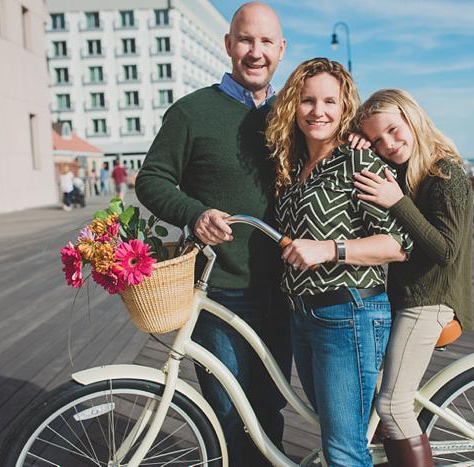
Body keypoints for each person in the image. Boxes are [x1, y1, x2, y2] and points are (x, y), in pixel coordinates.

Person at [135, 3, 289, 466]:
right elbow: (152, 179)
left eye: (266, 42)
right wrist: (195, 214)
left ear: (281, 51)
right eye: (246, 40)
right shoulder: (191, 112)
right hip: (221, 290)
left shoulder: (294, 114)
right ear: (228, 45)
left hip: (286, 288)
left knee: (270, 407)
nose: (255, 52)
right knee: (225, 410)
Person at [266, 58, 413, 467]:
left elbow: (399, 244)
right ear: (293, 105)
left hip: (349, 312)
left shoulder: (358, 161)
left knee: (344, 452)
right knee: (339, 437)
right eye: (308, 100)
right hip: (305, 316)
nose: (319, 111)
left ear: (344, 105)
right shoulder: (296, 167)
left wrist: (328, 248)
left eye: (330, 101)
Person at [353, 88, 474, 466]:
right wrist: (356, 144)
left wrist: (397, 202)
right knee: (376, 391)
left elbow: (445, 251)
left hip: (431, 301)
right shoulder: (407, 172)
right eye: (377, 140)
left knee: (392, 405)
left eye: (392, 130)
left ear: (412, 118)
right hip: (406, 300)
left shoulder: (446, 174)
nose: (388, 144)